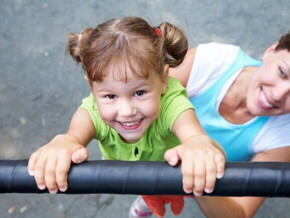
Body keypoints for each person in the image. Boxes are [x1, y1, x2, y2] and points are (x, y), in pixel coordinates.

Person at [27, 16, 226, 218]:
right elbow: (73, 136)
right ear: (92, 89)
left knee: (194, 182)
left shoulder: (172, 103)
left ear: (164, 80)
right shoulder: (92, 111)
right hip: (136, 173)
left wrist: (197, 144)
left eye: (139, 93)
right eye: (110, 96)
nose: (126, 110)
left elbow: (193, 134)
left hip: (173, 173)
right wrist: (64, 143)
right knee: (148, 192)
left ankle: (151, 200)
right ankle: (146, 201)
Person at [164, 31, 290, 217]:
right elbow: (144, 94)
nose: (278, 94)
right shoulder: (213, 61)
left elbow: (240, 213)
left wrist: (200, 173)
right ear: (270, 51)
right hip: (147, 149)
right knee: (144, 188)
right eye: (283, 72)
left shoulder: (283, 133)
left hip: (188, 181)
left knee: (157, 192)